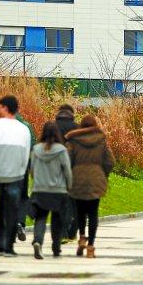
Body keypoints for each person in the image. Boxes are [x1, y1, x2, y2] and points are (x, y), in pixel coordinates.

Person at [0, 95, 31, 257]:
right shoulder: (23, 129)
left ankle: (0, 242)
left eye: (0, 107)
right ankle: (9, 246)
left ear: (4, 107)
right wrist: (22, 172)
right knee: (12, 211)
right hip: (15, 176)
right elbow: (25, 155)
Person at [66, 115, 115, 259]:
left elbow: (68, 159)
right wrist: (102, 173)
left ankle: (81, 237)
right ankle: (91, 246)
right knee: (93, 213)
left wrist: (72, 172)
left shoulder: (73, 140)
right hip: (96, 179)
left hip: (78, 179)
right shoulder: (101, 140)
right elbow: (110, 161)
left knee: (80, 212)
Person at [29, 122, 72, 260]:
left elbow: (32, 170)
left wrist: (37, 181)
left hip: (40, 190)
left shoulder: (36, 150)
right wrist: (69, 186)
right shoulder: (61, 150)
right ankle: (56, 246)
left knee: (40, 218)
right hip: (58, 191)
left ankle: (37, 241)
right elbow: (67, 170)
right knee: (57, 220)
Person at [55, 104, 79, 242]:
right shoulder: (77, 128)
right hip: (73, 168)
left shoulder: (52, 126)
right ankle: (72, 231)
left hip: (56, 169)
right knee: (73, 202)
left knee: (60, 202)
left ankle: (62, 232)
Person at [14, 111, 36, 244]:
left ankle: (9, 225)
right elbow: (33, 146)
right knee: (22, 195)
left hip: (8, 165)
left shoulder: (5, 126)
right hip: (24, 164)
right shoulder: (27, 126)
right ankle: (20, 223)